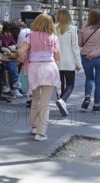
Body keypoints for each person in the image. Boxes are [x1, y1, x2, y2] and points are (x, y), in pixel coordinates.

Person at [17, 13, 61, 141]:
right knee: (45, 101)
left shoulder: (30, 36)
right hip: (49, 68)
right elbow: (58, 57)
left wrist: (24, 58)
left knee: (36, 97)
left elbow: (20, 51)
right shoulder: (54, 37)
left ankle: (34, 125)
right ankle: (40, 133)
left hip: (34, 68)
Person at [79, 8, 100, 113]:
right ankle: (96, 105)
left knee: (89, 78)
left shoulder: (83, 29)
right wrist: (96, 53)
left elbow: (80, 43)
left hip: (86, 56)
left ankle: (87, 97)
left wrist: (91, 52)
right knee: (99, 81)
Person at [54, 8, 82, 117]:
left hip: (57, 61)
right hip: (69, 61)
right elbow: (75, 47)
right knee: (70, 84)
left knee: (59, 85)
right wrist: (79, 63)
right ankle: (62, 101)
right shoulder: (73, 28)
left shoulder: (54, 28)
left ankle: (61, 102)